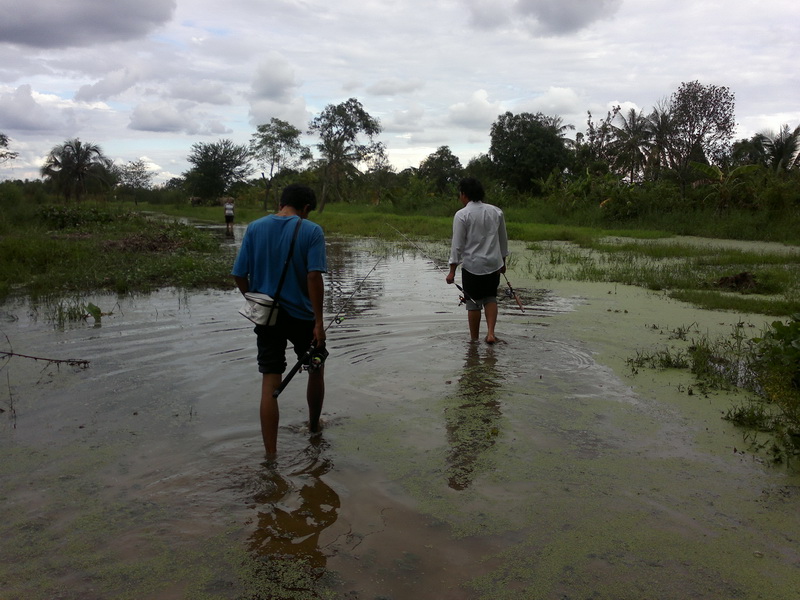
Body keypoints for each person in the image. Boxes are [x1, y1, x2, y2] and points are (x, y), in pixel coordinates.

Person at [232, 184, 327, 457]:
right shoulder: (312, 231)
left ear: (282, 202)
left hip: (267, 318)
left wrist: (254, 300)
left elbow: (239, 274)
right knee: (316, 367)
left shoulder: (254, 228)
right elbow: (313, 277)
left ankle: (271, 455)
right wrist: (319, 324)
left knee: (269, 382)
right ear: (306, 208)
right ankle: (313, 426)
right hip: (303, 318)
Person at [446, 177, 509, 344]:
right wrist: (503, 262)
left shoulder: (462, 215)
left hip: (472, 266)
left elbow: (457, 245)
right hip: (493, 265)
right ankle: (490, 334)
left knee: (473, 303)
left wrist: (452, 270)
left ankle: (473, 341)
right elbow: (503, 240)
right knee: (490, 298)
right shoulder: (496, 212)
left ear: (464, 194)